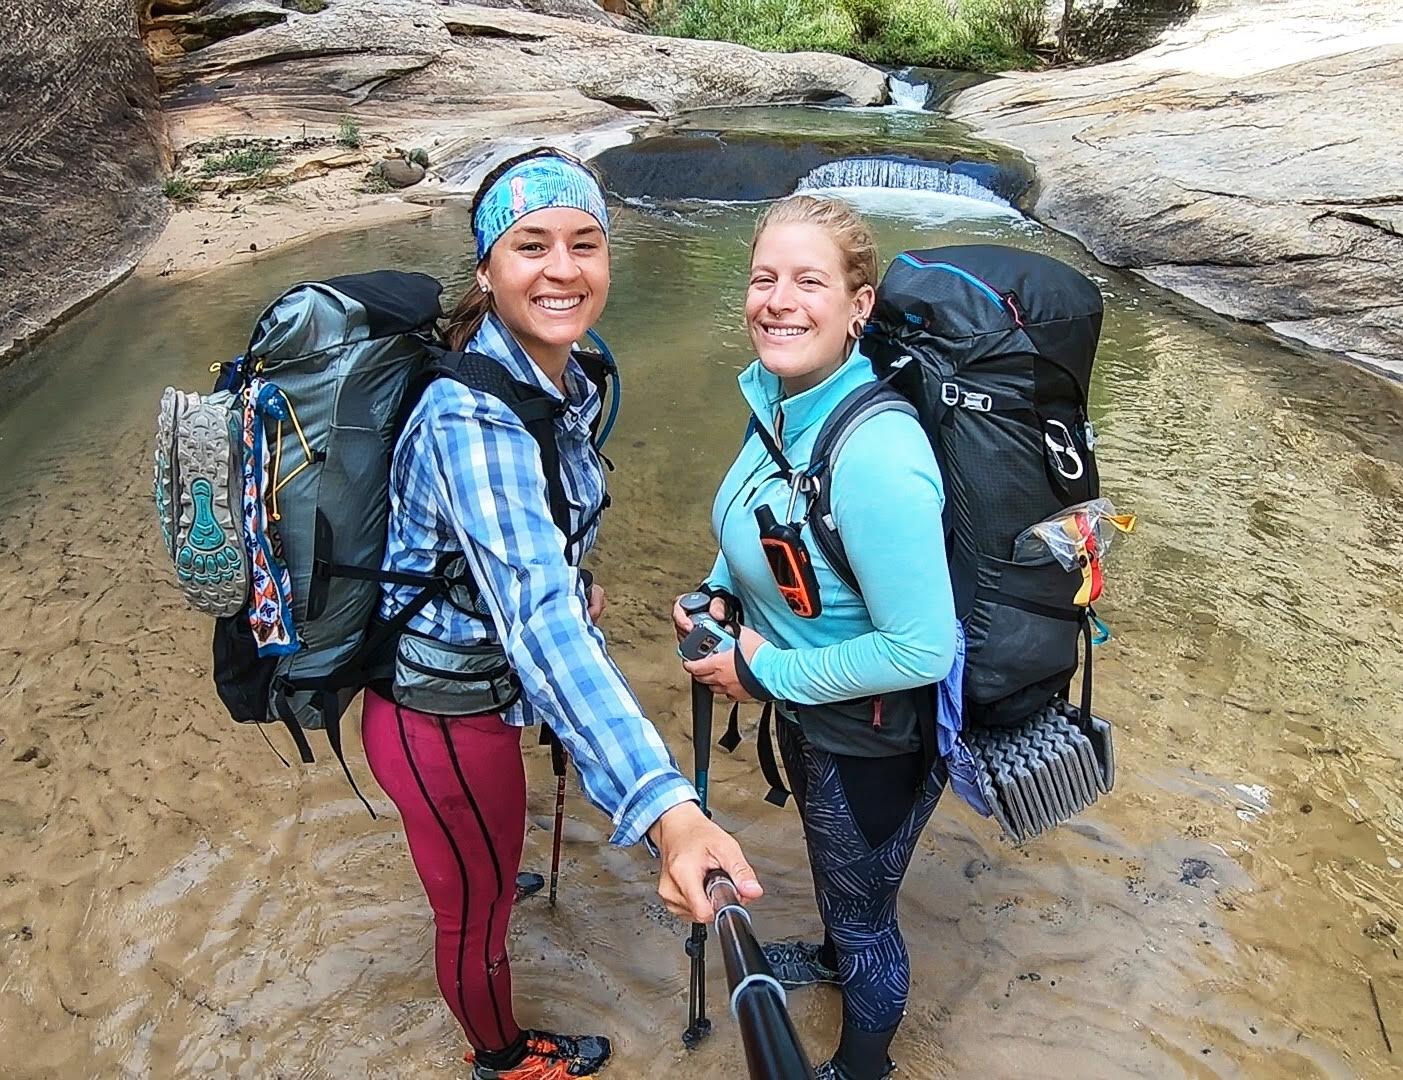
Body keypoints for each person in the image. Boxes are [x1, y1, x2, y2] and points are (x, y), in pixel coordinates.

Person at [365, 147, 762, 1080]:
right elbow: (539, 624)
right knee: (474, 914)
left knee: (488, 871)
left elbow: (533, 551)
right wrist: (669, 810)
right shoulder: (471, 418)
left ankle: (493, 875)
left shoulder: (558, 375)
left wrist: (570, 575)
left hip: (479, 699)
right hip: (438, 717)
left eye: (585, 243)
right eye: (530, 245)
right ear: (486, 270)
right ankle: (503, 1058)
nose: (563, 269)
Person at [674, 195, 959, 1080]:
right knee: (842, 881)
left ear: (858, 306)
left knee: (868, 912)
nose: (778, 300)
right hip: (813, 710)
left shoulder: (875, 451)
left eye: (808, 280)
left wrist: (762, 669)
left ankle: (861, 1066)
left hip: (873, 733)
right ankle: (835, 957)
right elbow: (769, 529)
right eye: (764, 278)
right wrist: (722, 594)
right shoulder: (782, 403)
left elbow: (923, 649)